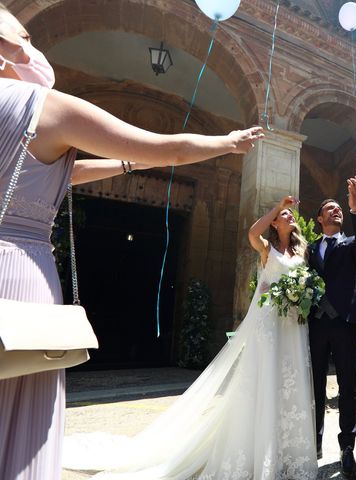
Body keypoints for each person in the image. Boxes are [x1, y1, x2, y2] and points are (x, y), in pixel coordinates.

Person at [0, 6, 263, 479]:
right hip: (16, 275)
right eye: (24, 34)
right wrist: (228, 142)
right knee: (16, 420)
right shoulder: (47, 106)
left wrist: (125, 165)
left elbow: (65, 174)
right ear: (9, 48)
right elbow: (170, 148)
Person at [63, 196, 318, 479]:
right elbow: (251, 234)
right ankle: (258, 452)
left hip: (292, 323)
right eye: (284, 215)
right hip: (269, 322)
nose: (290, 217)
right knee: (264, 379)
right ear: (275, 222)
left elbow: (303, 283)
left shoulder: (301, 252)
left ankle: (286, 452)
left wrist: (302, 297)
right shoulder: (267, 249)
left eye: (290, 214)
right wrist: (275, 206)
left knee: (288, 380)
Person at [307, 178, 356, 479]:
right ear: (319, 218)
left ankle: (347, 448)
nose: (336, 212)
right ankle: (314, 442)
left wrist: (355, 205)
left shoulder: (350, 244)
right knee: (315, 385)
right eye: (329, 209)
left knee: (347, 386)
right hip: (317, 324)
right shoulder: (308, 248)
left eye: (338, 209)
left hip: (344, 323)